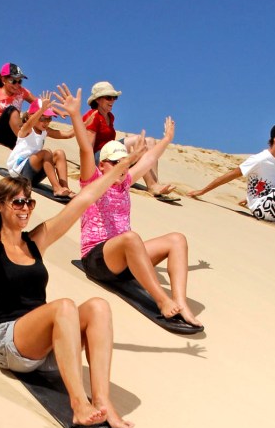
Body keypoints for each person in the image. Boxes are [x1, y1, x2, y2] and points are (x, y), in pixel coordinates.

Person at [0, 86, 135, 428]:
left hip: (48, 345)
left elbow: (83, 201)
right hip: (10, 343)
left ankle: (103, 400)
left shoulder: (36, 241)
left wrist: (117, 171)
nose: (26, 208)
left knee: (98, 306)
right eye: (18, 202)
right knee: (64, 305)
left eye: (29, 202)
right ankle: (79, 404)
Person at [78, 109, 203, 328]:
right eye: (115, 162)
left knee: (177, 239)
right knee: (130, 238)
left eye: (124, 162)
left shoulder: (125, 182)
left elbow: (150, 158)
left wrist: (167, 139)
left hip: (125, 259)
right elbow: (86, 151)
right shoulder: (92, 182)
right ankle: (162, 300)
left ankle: (181, 301)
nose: (121, 166)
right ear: (102, 165)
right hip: (97, 259)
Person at [83, 81, 174, 196]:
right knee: (138, 141)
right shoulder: (92, 116)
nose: (112, 101)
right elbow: (87, 148)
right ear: (97, 100)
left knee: (150, 141)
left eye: (114, 98)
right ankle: (152, 186)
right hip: (99, 158)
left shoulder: (110, 117)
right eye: (108, 97)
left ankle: (155, 182)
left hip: (112, 153)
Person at [6, 93, 75, 198]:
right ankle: (56, 189)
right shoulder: (26, 129)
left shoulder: (45, 131)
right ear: (31, 115)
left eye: (49, 119)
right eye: (42, 118)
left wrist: (80, 119)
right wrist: (42, 109)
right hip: (18, 172)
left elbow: (68, 134)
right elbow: (30, 123)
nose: (46, 122)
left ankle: (65, 188)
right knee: (46, 153)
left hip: (33, 174)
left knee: (59, 153)